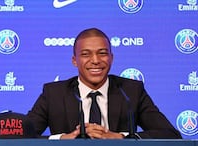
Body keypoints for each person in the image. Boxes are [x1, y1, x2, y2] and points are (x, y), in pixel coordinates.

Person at [27, 28, 181, 139]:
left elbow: (169, 134)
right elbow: (24, 136)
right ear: (75, 61)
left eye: (102, 53)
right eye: (86, 54)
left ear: (111, 58)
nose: (95, 61)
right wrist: (62, 139)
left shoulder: (131, 91)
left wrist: (121, 138)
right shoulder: (54, 93)